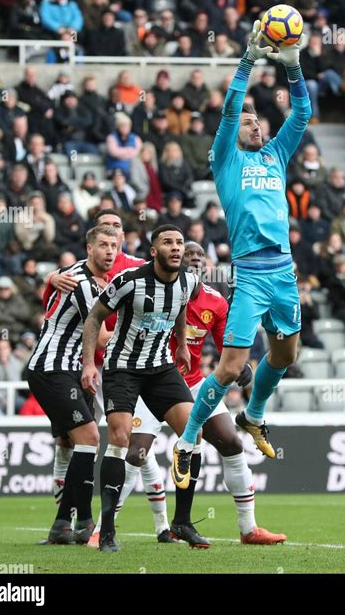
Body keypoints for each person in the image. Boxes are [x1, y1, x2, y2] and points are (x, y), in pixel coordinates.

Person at [171, 21, 311, 486]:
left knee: (285, 354)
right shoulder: (228, 160)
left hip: (284, 271)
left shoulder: (275, 156)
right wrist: (249, 58)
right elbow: (232, 108)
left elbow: (303, 114)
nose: (254, 124)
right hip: (250, 273)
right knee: (231, 367)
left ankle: (254, 415)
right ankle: (188, 439)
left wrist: (292, 67)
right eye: (249, 123)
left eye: (259, 122)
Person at [89, 241, 286, 547]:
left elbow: (227, 346)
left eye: (198, 255)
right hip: (143, 376)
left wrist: (241, 366)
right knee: (135, 452)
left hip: (191, 382)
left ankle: (247, 528)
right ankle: (103, 528)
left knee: (231, 442)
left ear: (205, 265)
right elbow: (110, 324)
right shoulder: (149, 288)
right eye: (187, 254)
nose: (192, 259)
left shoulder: (215, 302)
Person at [80, 225, 203, 552]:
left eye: (179, 242)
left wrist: (181, 346)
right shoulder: (129, 281)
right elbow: (94, 318)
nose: (176, 248)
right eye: (168, 242)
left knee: (193, 432)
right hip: (123, 367)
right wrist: (90, 363)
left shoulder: (189, 281)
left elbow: (180, 308)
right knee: (120, 438)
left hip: (161, 367)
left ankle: (182, 521)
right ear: (154, 251)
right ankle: (106, 531)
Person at [27, 225, 118, 544]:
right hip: (53, 368)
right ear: (89, 248)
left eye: (114, 245)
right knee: (90, 436)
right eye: (103, 245)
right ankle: (84, 520)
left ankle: (64, 525)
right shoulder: (84, 283)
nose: (110, 251)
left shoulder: (75, 274)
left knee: (75, 441)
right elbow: (101, 336)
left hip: (64, 368)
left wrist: (49, 277)